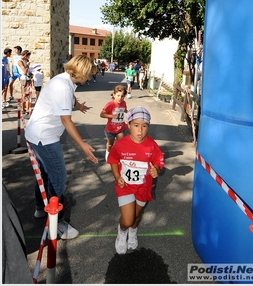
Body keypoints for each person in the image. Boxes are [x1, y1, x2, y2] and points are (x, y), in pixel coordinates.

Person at [25, 55, 99, 240]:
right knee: (58, 175)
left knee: (44, 173)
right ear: (81, 72)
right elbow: (66, 120)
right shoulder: (62, 87)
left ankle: (40, 208)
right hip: (45, 137)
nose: (90, 77)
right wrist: (82, 145)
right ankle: (56, 223)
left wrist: (78, 104)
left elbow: (70, 97)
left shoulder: (65, 80)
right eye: (89, 74)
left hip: (37, 134)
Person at [107, 106, 164, 254]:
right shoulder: (120, 144)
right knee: (127, 219)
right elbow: (113, 160)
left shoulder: (152, 145)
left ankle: (133, 231)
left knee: (137, 216)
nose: (140, 130)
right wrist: (117, 176)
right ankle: (122, 231)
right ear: (128, 125)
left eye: (144, 126)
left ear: (148, 127)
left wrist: (156, 169)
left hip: (143, 187)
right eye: (136, 125)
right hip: (125, 186)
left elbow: (159, 161)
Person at [100, 85, 128, 162]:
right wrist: (112, 116)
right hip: (111, 129)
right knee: (110, 144)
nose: (120, 98)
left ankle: (118, 156)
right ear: (114, 95)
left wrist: (128, 112)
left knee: (120, 143)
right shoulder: (110, 104)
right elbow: (102, 114)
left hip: (121, 127)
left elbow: (124, 109)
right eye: (118, 95)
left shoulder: (124, 103)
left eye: (122, 96)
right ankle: (108, 153)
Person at [17, 50, 32, 115]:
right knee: (24, 94)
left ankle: (27, 109)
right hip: (24, 79)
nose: (28, 58)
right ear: (25, 55)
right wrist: (27, 65)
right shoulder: (20, 61)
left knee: (28, 94)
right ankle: (22, 109)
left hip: (28, 78)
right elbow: (25, 71)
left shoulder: (25, 61)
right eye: (28, 56)